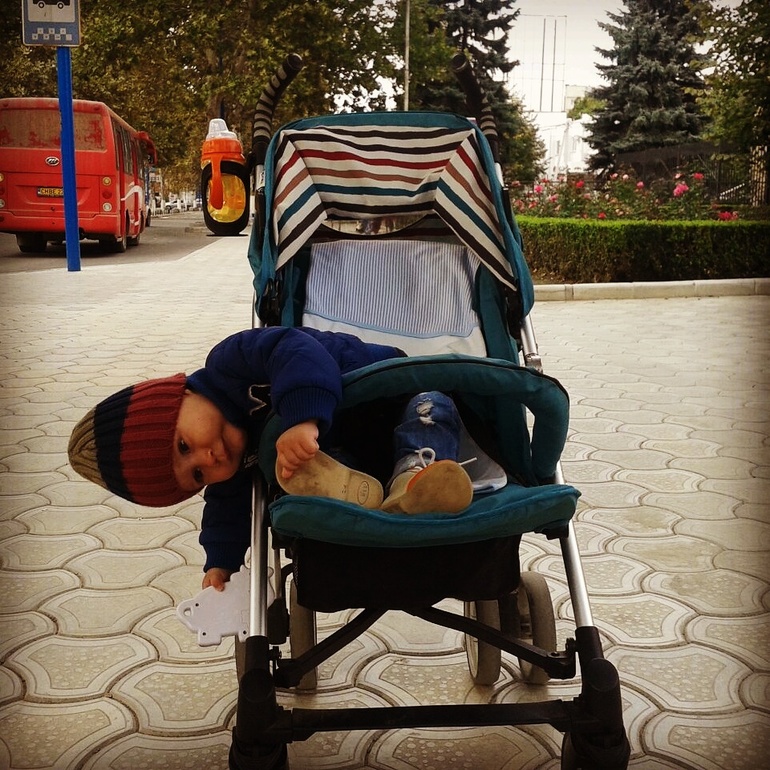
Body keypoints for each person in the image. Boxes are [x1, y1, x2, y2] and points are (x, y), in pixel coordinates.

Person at [68, 327, 482, 592]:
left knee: (432, 406)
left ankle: (416, 479)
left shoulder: (232, 362)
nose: (208, 459)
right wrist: (221, 563)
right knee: (295, 471)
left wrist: (301, 419)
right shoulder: (235, 463)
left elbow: (296, 349)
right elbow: (225, 509)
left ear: (181, 394)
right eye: (196, 475)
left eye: (183, 446)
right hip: (349, 461)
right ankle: (362, 494)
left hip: (387, 401)